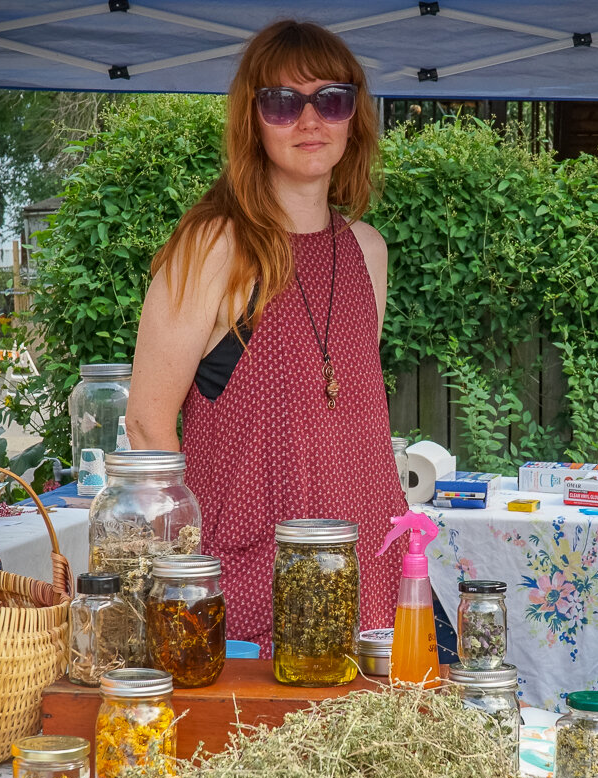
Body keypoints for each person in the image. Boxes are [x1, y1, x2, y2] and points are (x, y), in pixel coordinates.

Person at [126, 20, 406, 647]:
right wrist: (183, 578)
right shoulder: (215, 245)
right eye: (283, 102)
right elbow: (147, 424)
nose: (310, 120)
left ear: (354, 116)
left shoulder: (367, 250)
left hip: (369, 575)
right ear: (251, 119)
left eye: (330, 99)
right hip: (254, 580)